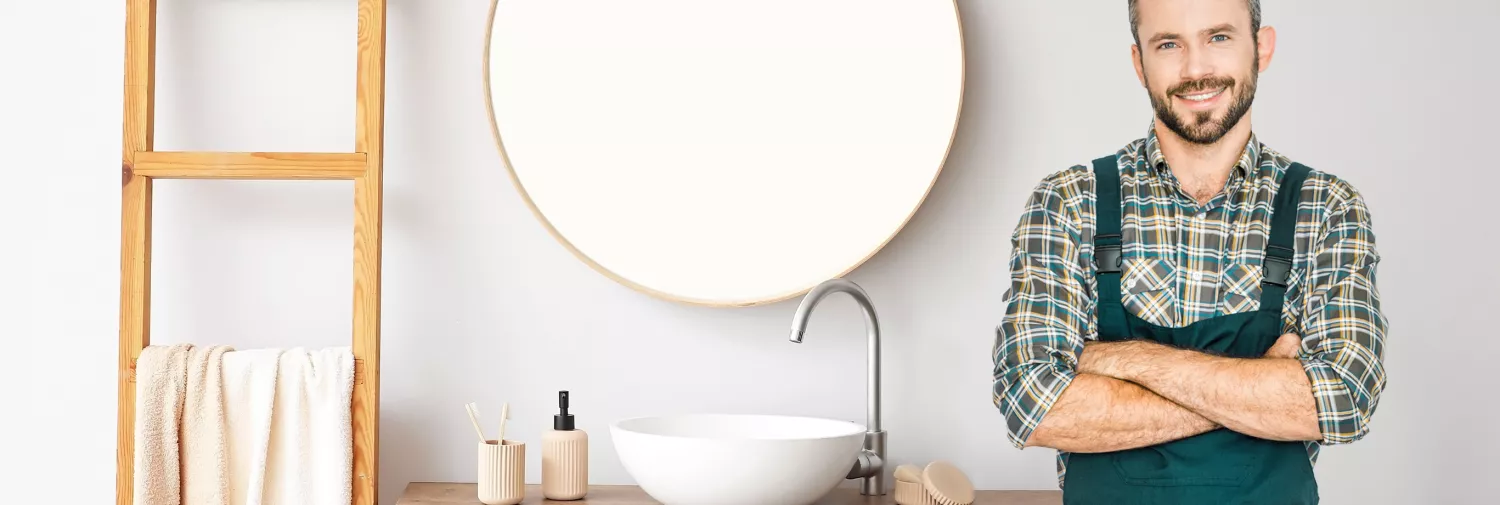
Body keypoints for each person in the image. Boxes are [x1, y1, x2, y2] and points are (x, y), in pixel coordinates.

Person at [990, 0, 1388, 503]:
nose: (1196, 69)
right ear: (1139, 63)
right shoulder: (1070, 201)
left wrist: (1121, 360)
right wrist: (1259, 389)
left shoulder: (1326, 207)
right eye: (1169, 44)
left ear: (1260, 49)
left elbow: (1343, 400)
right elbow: (1033, 403)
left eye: (1218, 37)